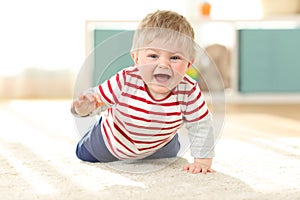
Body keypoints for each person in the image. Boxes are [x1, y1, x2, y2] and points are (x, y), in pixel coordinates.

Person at [71, 10, 215, 174]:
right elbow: (98, 99)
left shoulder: (188, 90)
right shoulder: (126, 80)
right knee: (83, 153)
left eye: (174, 58)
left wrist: (202, 161)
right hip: (112, 142)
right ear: (137, 59)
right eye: (153, 55)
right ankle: (98, 127)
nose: (163, 65)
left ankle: (164, 141)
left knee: (170, 152)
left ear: (188, 64)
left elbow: (201, 124)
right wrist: (86, 106)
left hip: (159, 147)